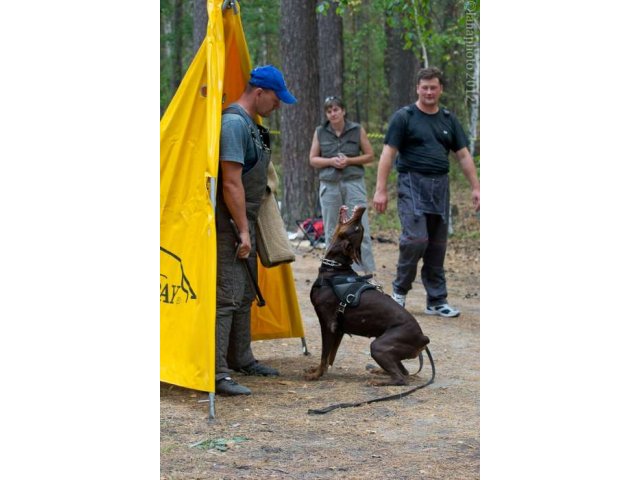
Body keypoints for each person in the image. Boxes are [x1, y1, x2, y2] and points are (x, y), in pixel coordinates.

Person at [214, 65, 297, 395]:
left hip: (245, 222)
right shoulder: (234, 124)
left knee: (245, 293)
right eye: (276, 99)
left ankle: (241, 358)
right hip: (229, 225)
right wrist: (244, 232)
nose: (278, 106)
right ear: (259, 92)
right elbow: (231, 182)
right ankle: (217, 372)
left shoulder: (252, 126)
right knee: (227, 297)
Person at [373, 66, 480, 317]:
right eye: (425, 87)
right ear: (417, 88)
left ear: (441, 89)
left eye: (434, 87)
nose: (429, 92)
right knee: (415, 240)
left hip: (440, 186)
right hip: (411, 184)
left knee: (436, 245)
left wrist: (477, 187)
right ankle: (399, 292)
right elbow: (388, 154)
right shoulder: (404, 117)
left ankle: (436, 300)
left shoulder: (448, 119)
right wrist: (380, 190)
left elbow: (463, 155)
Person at [308, 96, 376, 275]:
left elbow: (369, 155)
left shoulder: (357, 130)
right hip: (329, 185)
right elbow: (313, 159)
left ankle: (365, 273)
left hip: (353, 183)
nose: (333, 113)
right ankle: (333, 272)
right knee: (332, 230)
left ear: (343, 111)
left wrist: (349, 160)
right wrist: (330, 161)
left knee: (359, 227)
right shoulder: (320, 132)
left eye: (336, 109)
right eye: (329, 111)